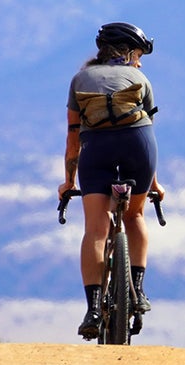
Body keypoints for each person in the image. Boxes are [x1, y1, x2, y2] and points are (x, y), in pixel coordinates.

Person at [60, 21, 163, 340]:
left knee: (95, 228)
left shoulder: (80, 79)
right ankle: (139, 291)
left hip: (97, 150)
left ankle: (92, 308)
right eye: (139, 55)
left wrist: (68, 182)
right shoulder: (140, 78)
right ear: (129, 53)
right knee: (134, 215)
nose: (140, 61)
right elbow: (147, 131)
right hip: (138, 146)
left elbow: (73, 140)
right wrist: (155, 184)